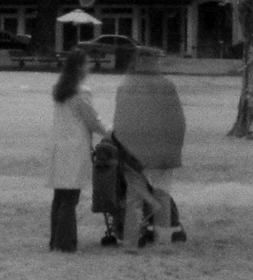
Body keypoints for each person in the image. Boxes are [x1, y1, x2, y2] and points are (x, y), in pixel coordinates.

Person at [108, 49, 187, 245]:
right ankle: (164, 240)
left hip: (133, 151)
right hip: (162, 151)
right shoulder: (167, 86)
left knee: (134, 196)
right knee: (162, 195)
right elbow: (178, 121)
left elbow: (120, 121)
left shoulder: (125, 87)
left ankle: (132, 240)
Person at [48, 48, 108, 252]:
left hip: (60, 145)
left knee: (60, 196)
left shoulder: (61, 89)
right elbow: (93, 121)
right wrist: (111, 133)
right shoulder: (81, 91)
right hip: (74, 147)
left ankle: (55, 241)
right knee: (70, 198)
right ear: (79, 66)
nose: (90, 66)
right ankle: (65, 243)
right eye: (88, 63)